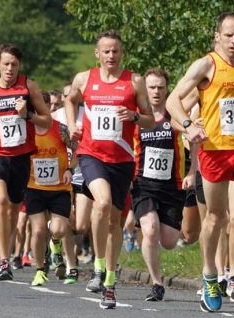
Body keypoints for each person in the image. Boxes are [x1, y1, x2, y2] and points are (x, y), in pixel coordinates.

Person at [165, 12, 234, 312]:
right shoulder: (206, 65)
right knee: (216, 217)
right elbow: (173, 100)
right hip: (214, 149)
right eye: (228, 35)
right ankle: (210, 274)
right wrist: (189, 124)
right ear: (217, 37)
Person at [65, 30, 154, 309]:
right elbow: (70, 99)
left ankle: (110, 279)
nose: (111, 56)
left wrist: (135, 116)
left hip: (123, 160)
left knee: (114, 221)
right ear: (97, 54)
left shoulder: (134, 82)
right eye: (106, 51)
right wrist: (71, 125)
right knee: (101, 203)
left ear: (122, 53)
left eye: (115, 51)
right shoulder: (85, 78)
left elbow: (150, 119)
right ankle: (99, 266)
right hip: (92, 155)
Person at [0, 44, 52, 281]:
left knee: (14, 210)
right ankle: (4, 260)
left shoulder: (28, 87)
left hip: (21, 155)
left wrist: (28, 115)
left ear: (19, 66)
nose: (9, 68)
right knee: (1, 200)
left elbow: (46, 122)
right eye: (5, 64)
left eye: (14, 64)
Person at [132, 68, 189, 302]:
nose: (156, 92)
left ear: (167, 89)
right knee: (151, 229)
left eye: (160, 87)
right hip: (143, 184)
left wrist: (193, 172)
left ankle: (152, 246)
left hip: (171, 187)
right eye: (151, 87)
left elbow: (193, 137)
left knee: (168, 241)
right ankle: (156, 283)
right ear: (145, 90)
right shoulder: (136, 116)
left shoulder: (173, 115)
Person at [26, 92, 75, 287]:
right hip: (34, 187)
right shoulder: (26, 130)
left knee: (59, 230)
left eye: (42, 106)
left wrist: (70, 168)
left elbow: (77, 149)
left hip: (59, 188)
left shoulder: (60, 129)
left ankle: (55, 243)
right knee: (37, 231)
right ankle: (39, 270)